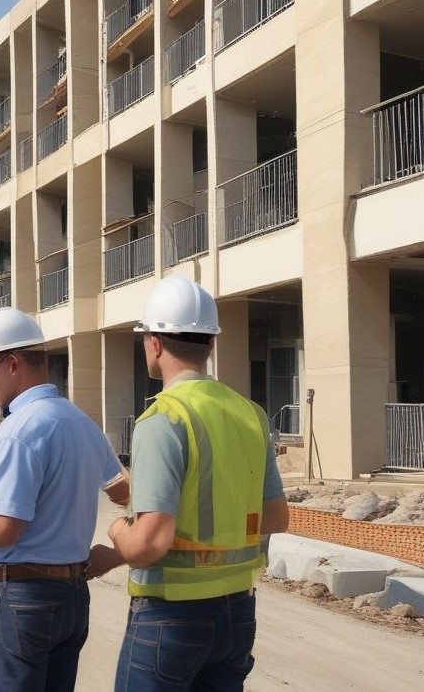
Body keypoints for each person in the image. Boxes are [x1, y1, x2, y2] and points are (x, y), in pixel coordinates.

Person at [86, 276, 289, 691]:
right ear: (210, 344)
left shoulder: (164, 419)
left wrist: (118, 532)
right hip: (237, 614)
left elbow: (148, 544)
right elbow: (275, 518)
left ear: (154, 343)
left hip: (172, 618)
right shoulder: (251, 413)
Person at [0, 306, 124, 692]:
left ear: (13, 363)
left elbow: (2, 531)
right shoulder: (80, 422)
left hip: (21, 597)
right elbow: (122, 491)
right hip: (72, 596)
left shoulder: (18, 429)